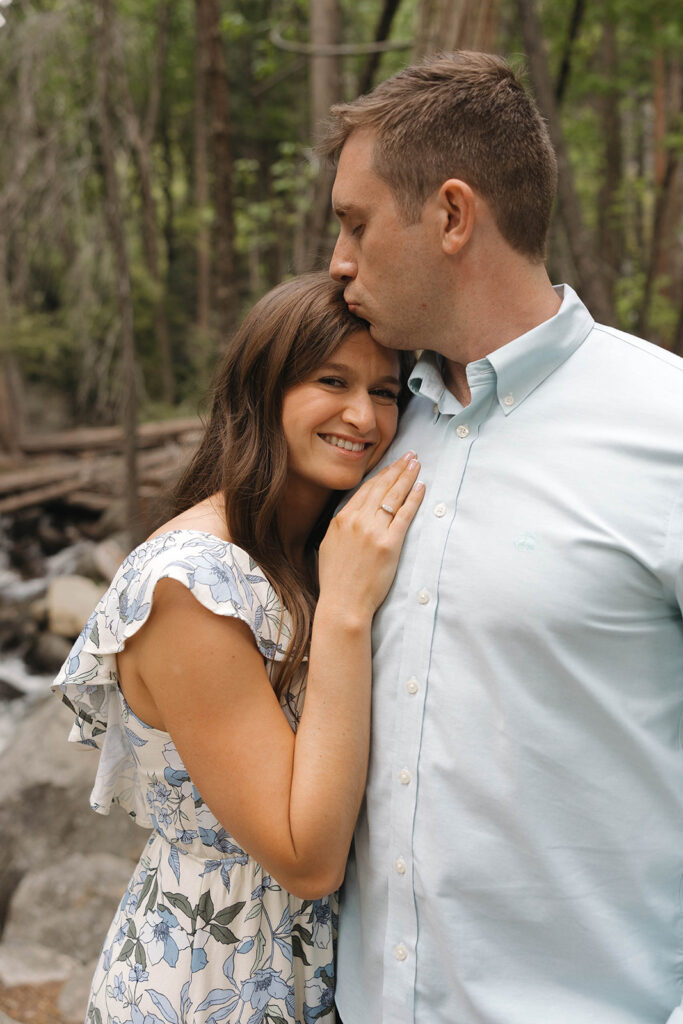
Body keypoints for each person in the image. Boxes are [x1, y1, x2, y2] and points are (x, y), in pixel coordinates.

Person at [322, 51, 683, 1024]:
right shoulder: (370, 436)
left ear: (449, 214)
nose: (336, 261)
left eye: (354, 223)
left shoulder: (667, 431)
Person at [52, 272, 424, 1024]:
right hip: (209, 979)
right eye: (332, 380)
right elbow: (306, 858)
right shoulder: (190, 586)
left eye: (385, 391)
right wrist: (346, 611)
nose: (363, 415)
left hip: (311, 971)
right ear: (262, 390)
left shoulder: (309, 546)